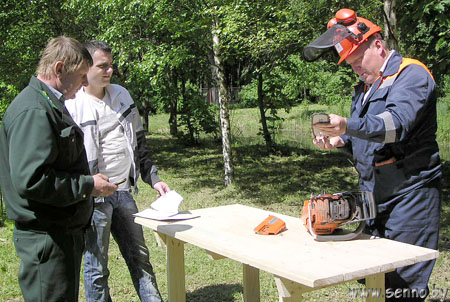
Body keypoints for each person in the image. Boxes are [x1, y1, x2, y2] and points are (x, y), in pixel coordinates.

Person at [304, 8, 441, 302]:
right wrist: (341, 140)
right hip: (374, 197)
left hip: (410, 198)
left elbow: (395, 126)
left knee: (404, 286)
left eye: (357, 61)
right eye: (350, 64)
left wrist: (348, 124)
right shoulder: (365, 87)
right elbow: (370, 144)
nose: (355, 69)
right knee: (376, 281)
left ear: (377, 45)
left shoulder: (411, 74)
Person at [0, 36, 118, 302]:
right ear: (59, 69)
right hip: (46, 239)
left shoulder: (46, 103)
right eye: (80, 76)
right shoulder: (34, 110)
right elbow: (32, 180)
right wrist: (88, 185)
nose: (85, 83)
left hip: (58, 236)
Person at [65, 40, 170, 302]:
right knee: (96, 269)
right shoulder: (73, 105)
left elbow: (139, 144)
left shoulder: (122, 96)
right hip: (94, 199)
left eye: (111, 66)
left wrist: (153, 179)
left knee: (140, 259)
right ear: (86, 67)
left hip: (123, 193)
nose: (109, 71)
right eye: (103, 66)